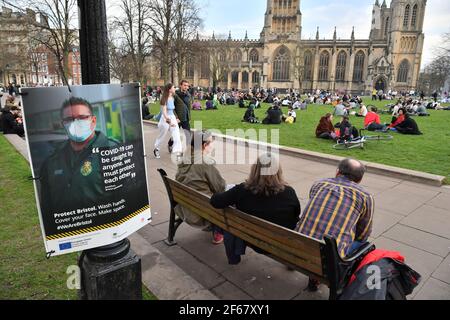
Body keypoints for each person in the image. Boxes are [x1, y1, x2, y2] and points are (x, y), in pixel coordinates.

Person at [296, 158, 374, 291]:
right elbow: (363, 233)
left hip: (297, 247)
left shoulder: (319, 184)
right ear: (360, 179)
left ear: (338, 172)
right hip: (329, 261)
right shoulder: (365, 196)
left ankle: (313, 278)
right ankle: (339, 280)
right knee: (364, 244)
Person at [210, 153, 300, 264]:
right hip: (280, 244)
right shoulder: (289, 193)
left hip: (250, 239)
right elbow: (296, 215)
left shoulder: (241, 190)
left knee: (228, 213)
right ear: (278, 172)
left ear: (255, 170)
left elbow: (215, 201)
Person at [39, 97, 120, 217]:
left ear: (93, 120)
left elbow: (126, 197)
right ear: (63, 124)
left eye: (82, 117)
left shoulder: (113, 151)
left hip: (104, 229)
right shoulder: (52, 160)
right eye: (69, 119)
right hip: (66, 230)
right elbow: (47, 203)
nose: (76, 123)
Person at [175, 131, 225, 244]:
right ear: (204, 145)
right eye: (212, 141)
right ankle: (218, 229)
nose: (213, 144)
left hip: (183, 206)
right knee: (229, 196)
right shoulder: (205, 163)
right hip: (200, 212)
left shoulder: (184, 159)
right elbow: (220, 188)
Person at [153, 83, 183, 160]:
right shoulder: (164, 99)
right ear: (169, 89)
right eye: (173, 87)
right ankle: (156, 149)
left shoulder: (172, 97)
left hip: (172, 117)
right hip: (165, 119)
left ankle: (177, 153)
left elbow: (172, 110)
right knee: (162, 136)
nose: (175, 89)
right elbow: (164, 112)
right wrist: (169, 121)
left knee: (177, 136)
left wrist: (176, 118)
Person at [168, 80, 192, 154]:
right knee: (175, 135)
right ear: (180, 85)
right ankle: (170, 144)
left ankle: (188, 150)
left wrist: (189, 117)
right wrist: (176, 117)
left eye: (187, 86)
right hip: (177, 119)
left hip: (186, 118)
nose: (186, 87)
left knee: (188, 134)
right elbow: (172, 107)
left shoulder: (188, 95)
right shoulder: (175, 94)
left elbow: (188, 107)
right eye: (184, 85)